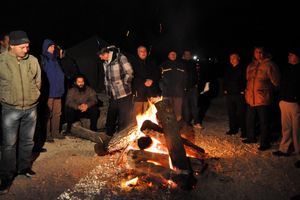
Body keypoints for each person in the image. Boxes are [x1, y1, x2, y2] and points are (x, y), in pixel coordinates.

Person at [0, 30, 41, 194]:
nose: (27, 49)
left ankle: (24, 168)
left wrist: (35, 95)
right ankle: (7, 176)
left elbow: (38, 81)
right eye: (23, 47)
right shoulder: (2, 61)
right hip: (10, 109)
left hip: (31, 108)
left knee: (28, 142)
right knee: (9, 145)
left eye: (28, 46)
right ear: (12, 46)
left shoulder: (33, 60)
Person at [242, 46, 280, 151]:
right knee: (250, 119)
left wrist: (266, 90)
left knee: (264, 122)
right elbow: (247, 80)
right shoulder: (250, 65)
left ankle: (265, 143)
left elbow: (276, 82)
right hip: (250, 98)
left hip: (263, 99)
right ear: (254, 53)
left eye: (261, 52)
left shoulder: (270, 65)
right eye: (257, 52)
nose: (260, 54)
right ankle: (251, 137)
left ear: (265, 53)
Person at [97, 45, 133, 136]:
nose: (100, 58)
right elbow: (106, 78)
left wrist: (124, 83)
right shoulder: (105, 63)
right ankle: (108, 135)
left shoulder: (120, 57)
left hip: (124, 93)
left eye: (101, 56)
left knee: (123, 117)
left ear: (105, 53)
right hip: (113, 94)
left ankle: (122, 136)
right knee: (111, 115)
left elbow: (130, 72)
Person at [273, 48, 300, 157]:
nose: (289, 57)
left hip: (295, 103)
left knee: (297, 130)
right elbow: (282, 84)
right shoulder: (287, 69)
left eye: (291, 55)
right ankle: (284, 149)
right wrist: (280, 99)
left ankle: (299, 153)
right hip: (284, 102)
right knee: (286, 128)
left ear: (297, 57)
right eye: (289, 55)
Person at [41, 39, 66, 142]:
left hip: (58, 92)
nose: (52, 48)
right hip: (49, 93)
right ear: (46, 48)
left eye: (53, 47)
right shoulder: (44, 59)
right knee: (48, 113)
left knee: (57, 113)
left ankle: (55, 132)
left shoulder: (56, 60)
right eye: (50, 47)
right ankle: (47, 134)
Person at [131, 45, 160, 119]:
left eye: (145, 51)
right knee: (138, 115)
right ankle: (137, 129)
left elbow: (157, 73)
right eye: (141, 51)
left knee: (150, 114)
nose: (143, 53)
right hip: (139, 92)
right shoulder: (133, 62)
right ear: (137, 53)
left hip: (150, 92)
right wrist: (144, 81)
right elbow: (132, 76)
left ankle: (149, 129)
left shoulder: (152, 61)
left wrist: (152, 79)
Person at [223, 53, 246, 137]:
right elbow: (225, 80)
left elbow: (246, 80)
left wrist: (243, 90)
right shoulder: (229, 69)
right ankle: (233, 129)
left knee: (241, 113)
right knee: (231, 113)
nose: (231, 60)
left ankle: (244, 131)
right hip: (229, 95)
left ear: (238, 58)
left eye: (233, 58)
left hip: (239, 95)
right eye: (230, 58)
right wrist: (225, 89)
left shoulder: (242, 68)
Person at [159, 50, 187, 122]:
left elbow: (185, 78)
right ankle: (167, 127)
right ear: (168, 56)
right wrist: (163, 87)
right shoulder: (163, 65)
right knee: (167, 111)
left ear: (176, 55)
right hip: (167, 92)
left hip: (178, 93)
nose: (173, 55)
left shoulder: (181, 65)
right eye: (171, 54)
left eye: (174, 54)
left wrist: (183, 87)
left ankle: (177, 127)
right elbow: (158, 78)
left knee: (177, 111)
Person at [181, 50, 202, 129]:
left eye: (189, 54)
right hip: (184, 89)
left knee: (195, 106)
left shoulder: (194, 63)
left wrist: (197, 84)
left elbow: (199, 74)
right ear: (183, 55)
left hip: (193, 88)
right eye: (186, 54)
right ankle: (187, 123)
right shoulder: (181, 63)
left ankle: (197, 122)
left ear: (190, 55)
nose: (187, 55)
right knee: (185, 107)